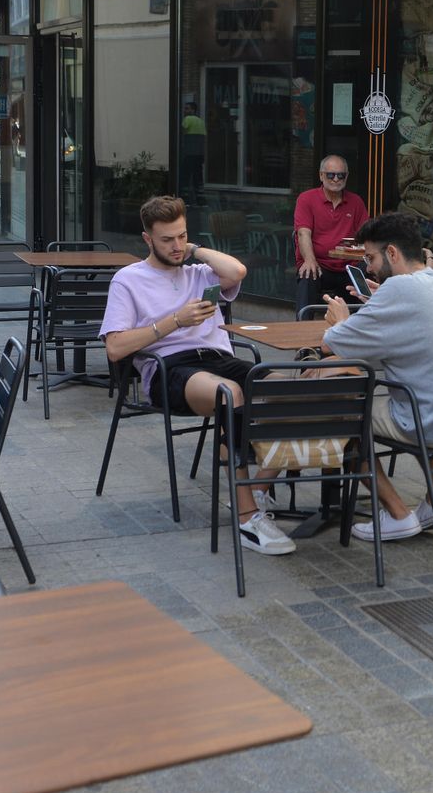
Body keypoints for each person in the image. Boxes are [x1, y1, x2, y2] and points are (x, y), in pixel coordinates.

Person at [99, 194, 293, 556]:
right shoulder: (128, 280)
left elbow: (237, 272)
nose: (176, 246)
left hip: (218, 356)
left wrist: (196, 250)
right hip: (168, 367)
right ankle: (247, 516)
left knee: (286, 390)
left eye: (181, 236)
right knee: (228, 394)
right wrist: (175, 321)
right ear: (147, 239)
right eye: (167, 239)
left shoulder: (199, 272)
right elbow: (115, 348)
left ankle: (261, 486)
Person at [321, 211, 433, 541]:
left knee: (343, 413)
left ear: (391, 253)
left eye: (371, 258)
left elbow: (333, 345)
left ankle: (399, 515)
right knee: (430, 389)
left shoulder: (398, 291)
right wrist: (379, 304)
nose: (369, 268)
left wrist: (341, 317)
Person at [294, 155, 369, 317]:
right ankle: (302, 333)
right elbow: (303, 232)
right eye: (330, 175)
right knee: (307, 272)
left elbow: (365, 236)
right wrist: (309, 259)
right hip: (320, 265)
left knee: (369, 272)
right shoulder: (307, 198)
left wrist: (360, 252)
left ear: (346, 177)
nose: (336, 179)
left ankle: (362, 330)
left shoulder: (356, 201)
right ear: (321, 176)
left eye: (340, 175)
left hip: (350, 266)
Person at [179, 102, 206, 202]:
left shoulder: (188, 119)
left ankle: (185, 199)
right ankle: (201, 199)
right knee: (198, 177)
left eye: (187, 108)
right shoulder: (201, 121)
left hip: (189, 153)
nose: (185, 111)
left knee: (185, 176)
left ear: (193, 110)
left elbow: (181, 131)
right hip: (199, 154)